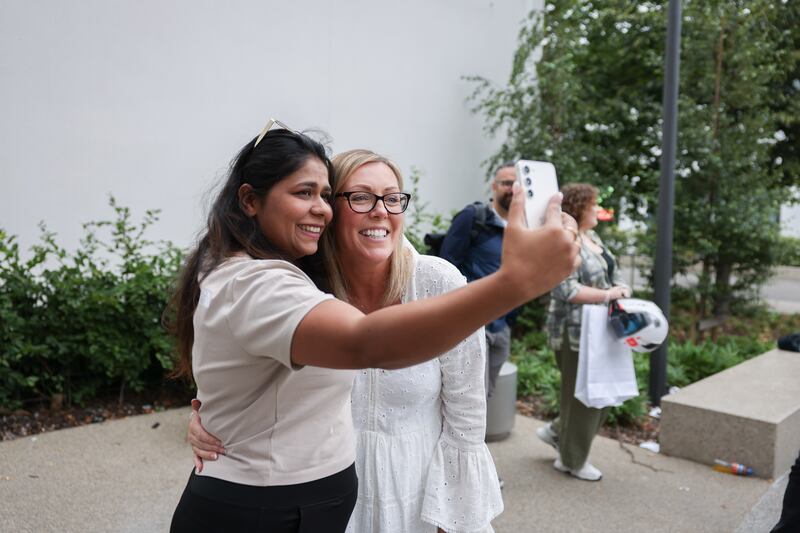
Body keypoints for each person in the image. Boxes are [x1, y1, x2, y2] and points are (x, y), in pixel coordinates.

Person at [168, 122, 580, 533]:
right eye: (360, 197)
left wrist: (453, 514)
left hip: (413, 493)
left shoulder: (437, 282)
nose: (380, 210)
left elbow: (466, 418)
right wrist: (514, 283)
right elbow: (355, 343)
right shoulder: (299, 283)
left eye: (392, 198)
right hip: (310, 504)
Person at [538, 182, 631, 482]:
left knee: (601, 393)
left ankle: (556, 432)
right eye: (592, 205)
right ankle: (571, 460)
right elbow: (565, 288)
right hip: (575, 331)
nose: (597, 209)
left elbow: (609, 274)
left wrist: (620, 289)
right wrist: (608, 295)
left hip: (600, 330)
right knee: (584, 398)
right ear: (578, 207)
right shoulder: (564, 240)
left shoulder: (592, 238)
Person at [439, 163, 517, 397]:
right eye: (506, 183)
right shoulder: (473, 217)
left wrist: (510, 319)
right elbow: (447, 267)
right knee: (467, 397)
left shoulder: (521, 228)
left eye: (517, 184)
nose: (512, 189)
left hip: (501, 327)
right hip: (471, 324)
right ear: (494, 186)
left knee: (485, 396)